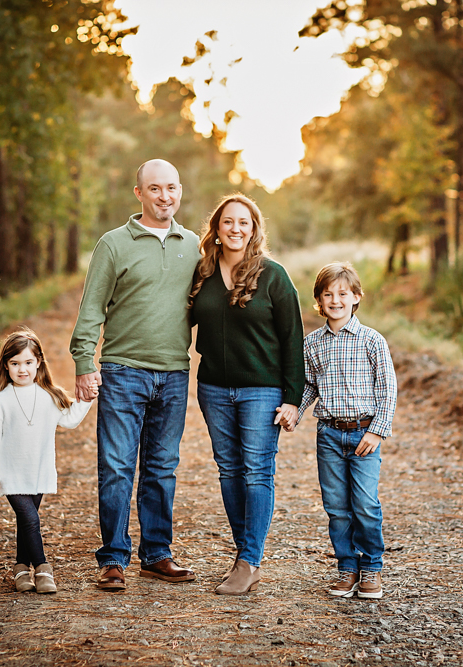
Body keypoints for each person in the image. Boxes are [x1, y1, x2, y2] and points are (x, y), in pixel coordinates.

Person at [69, 159, 201, 591]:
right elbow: (91, 310)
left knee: (163, 468)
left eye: (172, 188)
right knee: (116, 467)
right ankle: (112, 559)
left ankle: (157, 554)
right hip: (123, 372)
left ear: (180, 191)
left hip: (174, 374)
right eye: (156, 189)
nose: (165, 196)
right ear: (139, 193)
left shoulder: (193, 245)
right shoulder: (113, 244)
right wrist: (85, 364)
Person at [188, 193, 304, 595]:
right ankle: (245, 555)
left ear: (254, 230)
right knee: (229, 470)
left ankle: (248, 561)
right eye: (228, 222)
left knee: (257, 471)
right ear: (216, 230)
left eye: (244, 222)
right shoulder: (201, 274)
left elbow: (293, 340)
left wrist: (293, 398)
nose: (236, 229)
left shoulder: (274, 276)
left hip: (262, 391)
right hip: (214, 389)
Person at [295, 262, 397, 600]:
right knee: (336, 506)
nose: (335, 300)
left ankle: (371, 566)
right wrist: (295, 410)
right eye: (328, 295)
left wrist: (377, 431)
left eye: (343, 293)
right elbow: (309, 386)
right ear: (319, 301)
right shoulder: (312, 344)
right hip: (329, 435)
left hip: (364, 434)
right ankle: (346, 567)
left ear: (356, 297)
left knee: (365, 504)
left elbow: (388, 389)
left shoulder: (372, 341)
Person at [0, 327, 94, 594]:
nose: (22, 369)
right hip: (10, 472)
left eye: (28, 362)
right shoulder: (2, 399)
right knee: (30, 520)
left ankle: (20, 569)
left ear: (38, 362)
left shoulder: (48, 396)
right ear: (6, 366)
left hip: (38, 471)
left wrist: (87, 399)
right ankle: (42, 568)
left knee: (25, 522)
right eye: (15, 363)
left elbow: (70, 419)